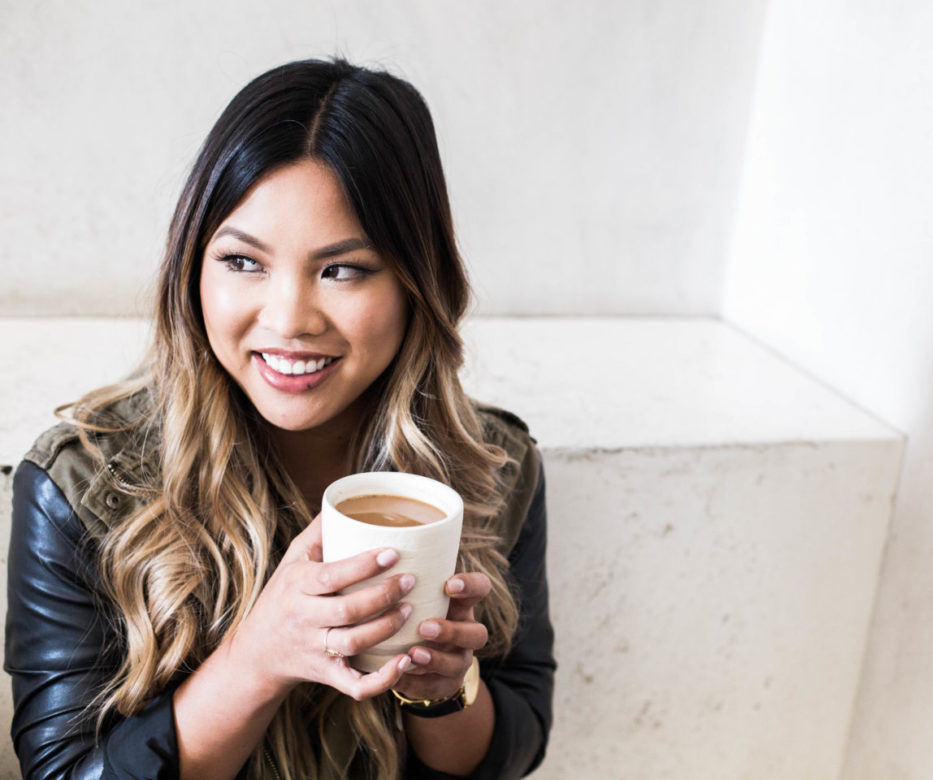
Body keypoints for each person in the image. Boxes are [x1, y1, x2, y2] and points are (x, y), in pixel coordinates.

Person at [5, 58, 554, 779]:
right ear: (191, 269)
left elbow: (517, 742)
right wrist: (258, 660)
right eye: (242, 262)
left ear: (418, 283)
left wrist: (446, 687)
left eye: (343, 270)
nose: (290, 319)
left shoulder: (493, 467)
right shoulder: (81, 483)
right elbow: (60, 770)